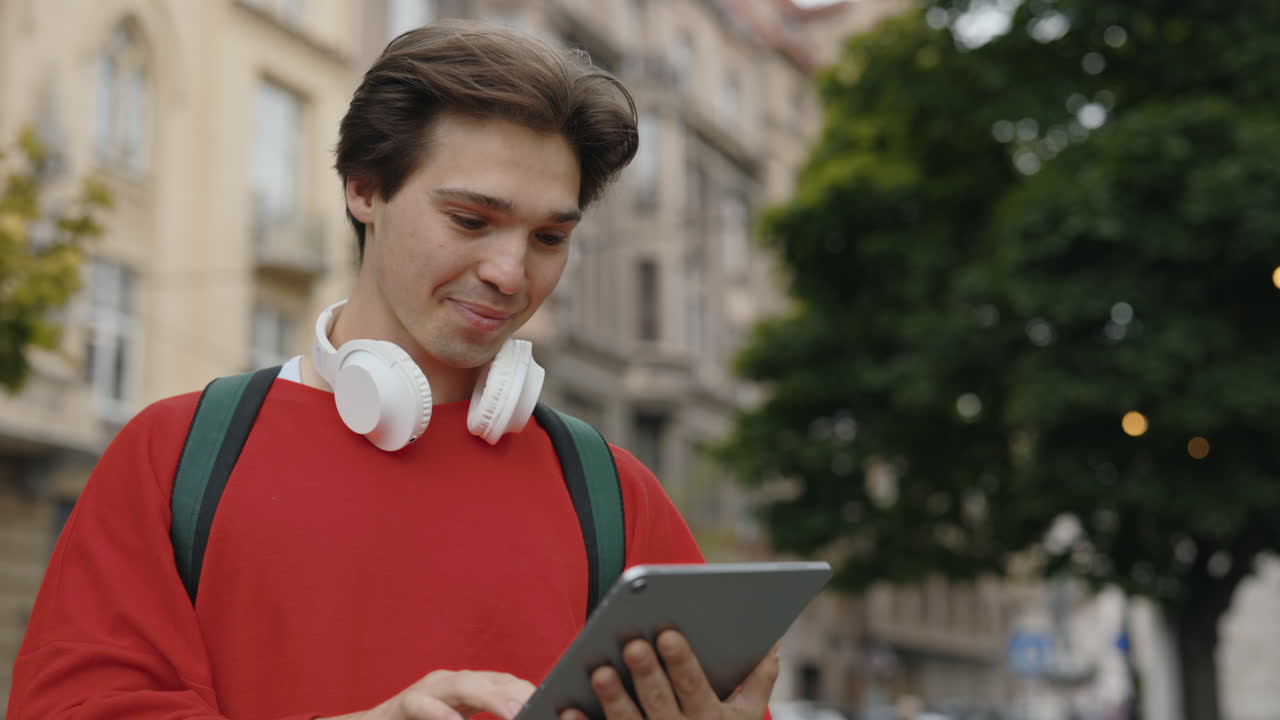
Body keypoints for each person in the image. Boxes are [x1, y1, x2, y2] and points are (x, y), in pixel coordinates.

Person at [7, 20, 779, 720]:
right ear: (363, 188)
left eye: (549, 237)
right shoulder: (172, 457)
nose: (512, 273)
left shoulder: (616, 495)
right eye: (471, 220)